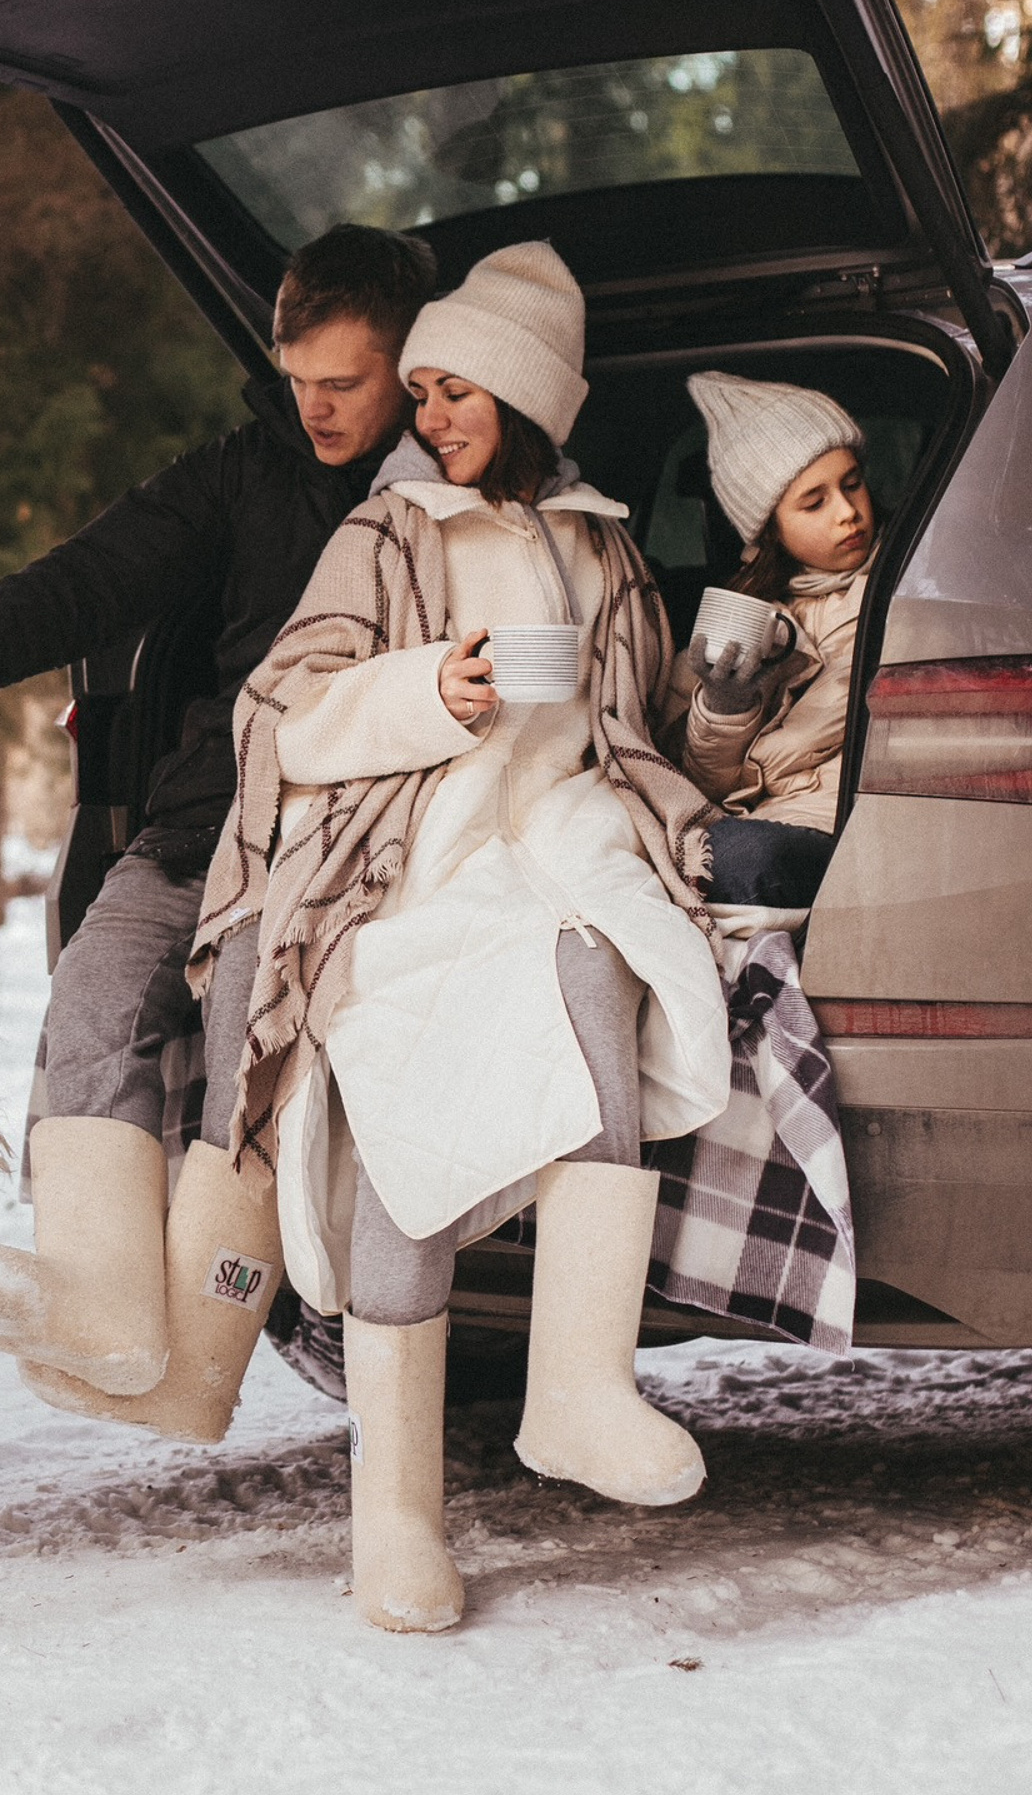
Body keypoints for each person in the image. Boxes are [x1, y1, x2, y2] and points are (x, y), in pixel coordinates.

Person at [190, 243, 731, 1631]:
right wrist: (432, 688)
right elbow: (285, 713)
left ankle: (577, 1391)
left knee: (603, 962)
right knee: (406, 1115)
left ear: (525, 393)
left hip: (557, 847)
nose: (431, 418)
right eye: (419, 392)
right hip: (408, 862)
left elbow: (649, 729)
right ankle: (395, 1521)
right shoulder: (388, 536)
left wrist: (715, 762)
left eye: (455, 392)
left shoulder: (603, 547)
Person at [0, 225, 439, 1442]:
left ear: (409, 365)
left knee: (246, 1054)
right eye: (299, 382)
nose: (318, 408)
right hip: (198, 826)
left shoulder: (454, 489)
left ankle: (198, 1373)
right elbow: (100, 572)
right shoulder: (246, 473)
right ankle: (102, 1309)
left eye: (345, 383)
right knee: (95, 988)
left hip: (339, 847)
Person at [672, 372, 876, 909]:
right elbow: (701, 786)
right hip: (767, 823)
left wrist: (754, 767)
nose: (847, 512)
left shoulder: (904, 587)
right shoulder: (740, 621)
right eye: (814, 503)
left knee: (731, 859)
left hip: (850, 817)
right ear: (769, 530)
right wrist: (723, 707)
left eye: (851, 483)